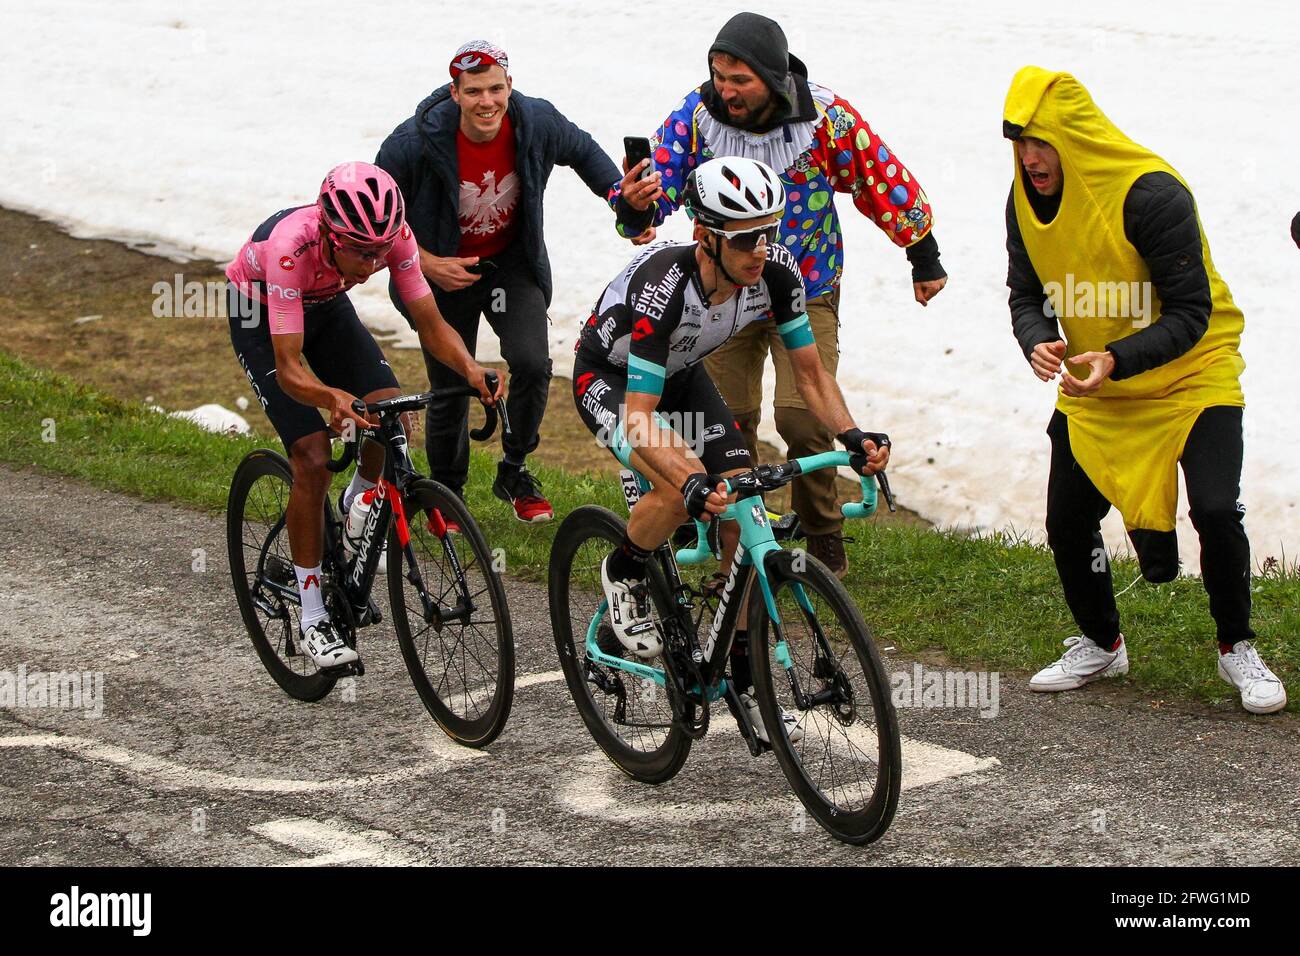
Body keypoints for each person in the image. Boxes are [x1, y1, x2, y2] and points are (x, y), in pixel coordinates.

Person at [612, 12, 945, 576]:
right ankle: (737, 544)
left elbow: (879, 176)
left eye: (739, 79)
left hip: (805, 284)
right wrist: (635, 202)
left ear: (771, 76)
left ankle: (821, 535)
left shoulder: (826, 118)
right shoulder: (697, 117)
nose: (726, 89)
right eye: (719, 75)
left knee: (803, 417)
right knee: (730, 415)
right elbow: (655, 191)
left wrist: (922, 252)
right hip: (721, 294)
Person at [575, 156, 889, 742]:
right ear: (705, 237)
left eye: (768, 232)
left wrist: (853, 435)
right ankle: (623, 568)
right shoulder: (664, 291)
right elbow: (640, 419)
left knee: (742, 508)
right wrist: (688, 479)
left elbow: (812, 378)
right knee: (681, 485)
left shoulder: (776, 273)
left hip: (683, 373)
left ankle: (746, 679)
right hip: (611, 380)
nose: (760, 250)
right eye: (746, 239)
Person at [1002, 66, 1286, 714]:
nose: (1030, 158)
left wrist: (1117, 357)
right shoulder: (1022, 199)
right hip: (1099, 384)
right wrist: (1037, 336)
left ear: (1075, 136)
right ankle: (1102, 642)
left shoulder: (1151, 195)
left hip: (1192, 373)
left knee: (1216, 509)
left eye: (1041, 141)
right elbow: (1026, 291)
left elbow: (1193, 312)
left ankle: (1237, 647)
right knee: (1067, 521)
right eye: (1019, 142)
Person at [226, 162, 500, 670]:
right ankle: (312, 615)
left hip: (323, 303)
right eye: (359, 250)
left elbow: (430, 323)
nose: (372, 262)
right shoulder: (291, 248)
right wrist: (331, 398)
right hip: (262, 311)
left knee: (388, 413)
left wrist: (470, 369)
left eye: (379, 251)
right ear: (330, 233)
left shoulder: (392, 239)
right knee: (311, 456)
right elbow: (289, 370)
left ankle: (357, 502)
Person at [376, 40, 651, 523]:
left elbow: (583, 151)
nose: (488, 101)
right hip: (443, 274)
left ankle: (514, 469)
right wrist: (426, 262)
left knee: (531, 362)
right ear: (455, 92)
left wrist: (620, 201)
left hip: (510, 264)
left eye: (496, 89)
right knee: (452, 386)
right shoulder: (413, 142)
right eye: (475, 91)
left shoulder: (534, 121)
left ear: (510, 85)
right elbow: (377, 213)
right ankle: (447, 496)